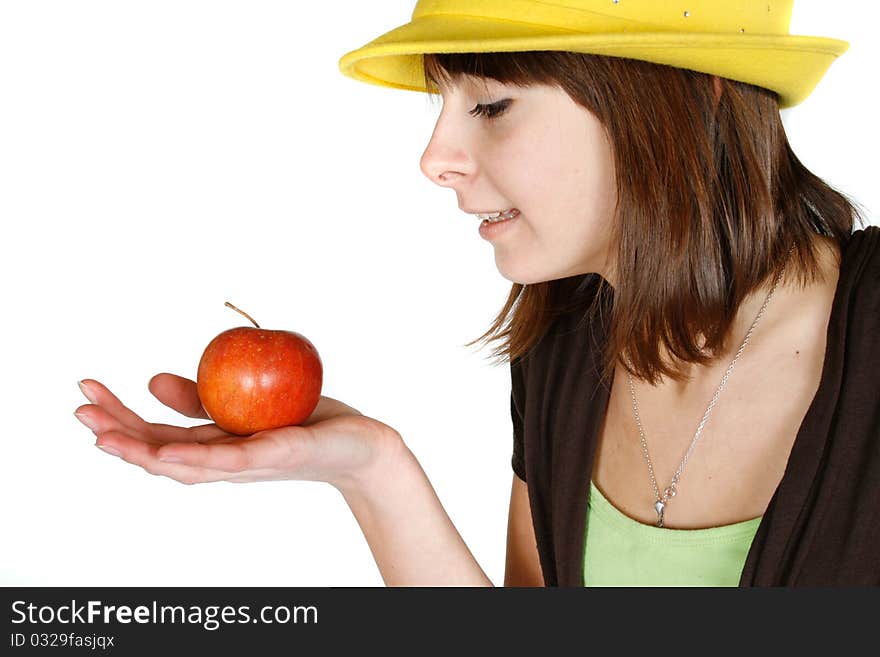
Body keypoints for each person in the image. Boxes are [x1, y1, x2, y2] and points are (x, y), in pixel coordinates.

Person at [74, 1, 879, 586]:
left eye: (491, 103)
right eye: (443, 104)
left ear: (687, 93)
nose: (435, 157)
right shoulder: (563, 346)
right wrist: (373, 471)